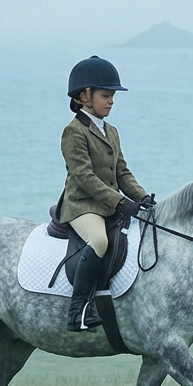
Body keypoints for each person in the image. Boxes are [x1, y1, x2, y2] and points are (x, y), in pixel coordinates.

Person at [58, 55, 152, 332]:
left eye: (112, 96)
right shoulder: (73, 132)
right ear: (85, 96)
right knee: (99, 241)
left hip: (109, 204)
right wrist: (120, 202)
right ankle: (78, 310)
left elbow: (122, 172)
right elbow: (84, 177)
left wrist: (143, 198)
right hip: (82, 205)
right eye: (106, 95)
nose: (111, 101)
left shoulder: (111, 131)